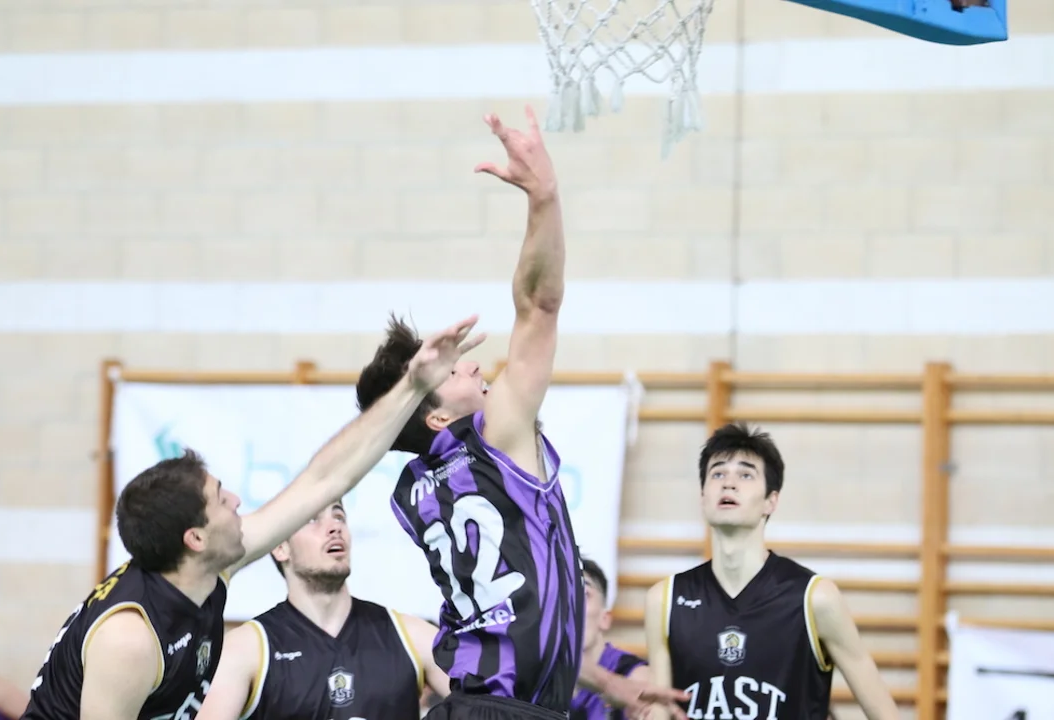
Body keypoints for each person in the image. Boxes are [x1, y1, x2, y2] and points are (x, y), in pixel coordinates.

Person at [355, 106, 686, 720]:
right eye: (452, 371)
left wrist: (605, 684)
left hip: (476, 703)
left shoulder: (411, 489)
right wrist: (544, 196)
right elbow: (538, 305)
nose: (472, 367)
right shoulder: (494, 437)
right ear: (436, 418)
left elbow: (513, 615)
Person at [20, 315, 486, 720]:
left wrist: (412, 387)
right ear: (195, 538)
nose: (237, 500)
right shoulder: (130, 638)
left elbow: (324, 480)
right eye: (221, 499)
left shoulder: (202, 572)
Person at [643, 423, 901, 720]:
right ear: (703, 498)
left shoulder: (814, 598)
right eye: (717, 474)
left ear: (771, 501)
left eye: (745, 475)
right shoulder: (665, 599)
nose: (729, 484)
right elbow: (662, 709)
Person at [194, 500, 450, 720]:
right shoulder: (246, 649)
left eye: (339, 517)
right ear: (281, 547)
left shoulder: (411, 636)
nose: (334, 527)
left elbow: (476, 700)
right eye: (312, 519)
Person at [570, 559, 653, 720]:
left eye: (584, 593)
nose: (572, 604)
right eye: (563, 594)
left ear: (605, 618)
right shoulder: (531, 674)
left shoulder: (636, 678)